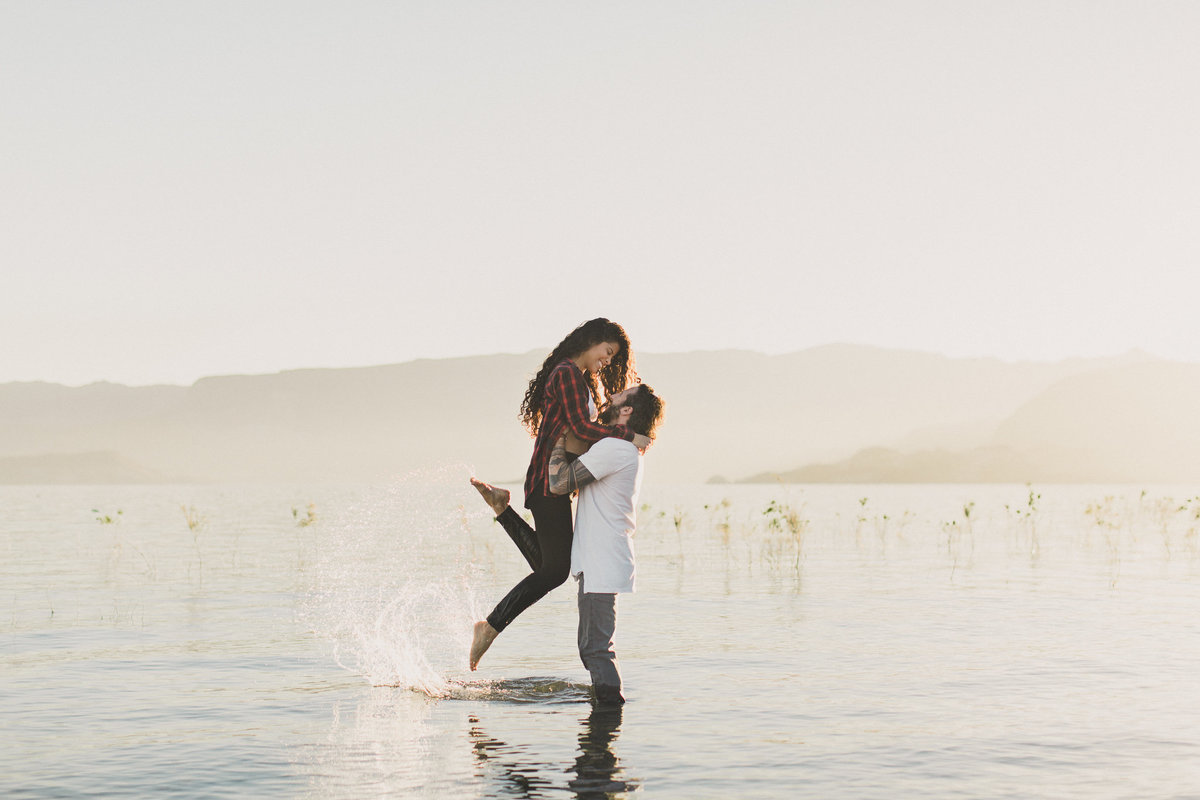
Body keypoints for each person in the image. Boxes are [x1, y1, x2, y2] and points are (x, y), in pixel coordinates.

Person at [469, 319, 650, 670]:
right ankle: (489, 627)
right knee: (554, 571)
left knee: (552, 568)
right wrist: (630, 437)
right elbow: (582, 428)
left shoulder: (578, 379)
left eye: (613, 358)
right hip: (547, 483)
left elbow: (582, 434)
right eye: (607, 353)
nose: (607, 362)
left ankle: (502, 509)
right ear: (592, 341)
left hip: (552, 485)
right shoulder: (566, 373)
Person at [476, 384, 664, 704]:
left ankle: (608, 718)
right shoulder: (619, 447)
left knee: (596, 649)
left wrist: (558, 435)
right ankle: (501, 510)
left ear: (628, 411)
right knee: (584, 631)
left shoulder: (616, 449)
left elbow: (559, 481)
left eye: (619, 396)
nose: (612, 397)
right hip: (597, 559)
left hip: (602, 561)